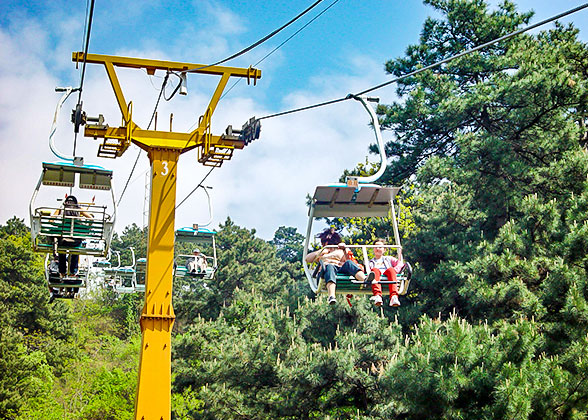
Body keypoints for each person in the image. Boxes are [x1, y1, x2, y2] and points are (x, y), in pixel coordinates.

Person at [305, 227, 375, 305]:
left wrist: (344, 249)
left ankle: (365, 280)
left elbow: (350, 260)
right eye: (326, 242)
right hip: (327, 271)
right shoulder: (322, 251)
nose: (329, 244)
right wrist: (320, 252)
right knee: (329, 266)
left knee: (348, 263)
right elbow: (307, 259)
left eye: (330, 242)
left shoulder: (340, 249)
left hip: (341, 269)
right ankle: (331, 296)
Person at [53, 195, 93, 277]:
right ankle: (73, 271)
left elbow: (51, 219)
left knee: (61, 250)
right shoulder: (78, 209)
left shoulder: (62, 208)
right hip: (75, 241)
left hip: (63, 240)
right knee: (76, 249)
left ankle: (62, 271)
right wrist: (86, 226)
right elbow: (91, 218)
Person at [369, 239, 405, 307]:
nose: (377, 249)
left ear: (384, 250)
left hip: (388, 276)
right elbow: (368, 271)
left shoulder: (389, 259)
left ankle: (394, 297)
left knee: (391, 270)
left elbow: (400, 264)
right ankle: (377, 295)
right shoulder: (370, 262)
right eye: (375, 247)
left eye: (380, 247)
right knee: (375, 270)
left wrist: (395, 271)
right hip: (377, 277)